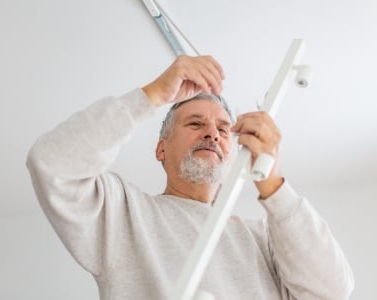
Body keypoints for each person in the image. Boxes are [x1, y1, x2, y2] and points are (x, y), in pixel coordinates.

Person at [27, 55, 354, 299]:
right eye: (195, 124)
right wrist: (153, 94)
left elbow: (333, 291)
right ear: (161, 149)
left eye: (224, 129)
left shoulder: (263, 240)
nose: (212, 133)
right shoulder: (124, 215)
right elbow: (52, 163)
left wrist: (273, 183)